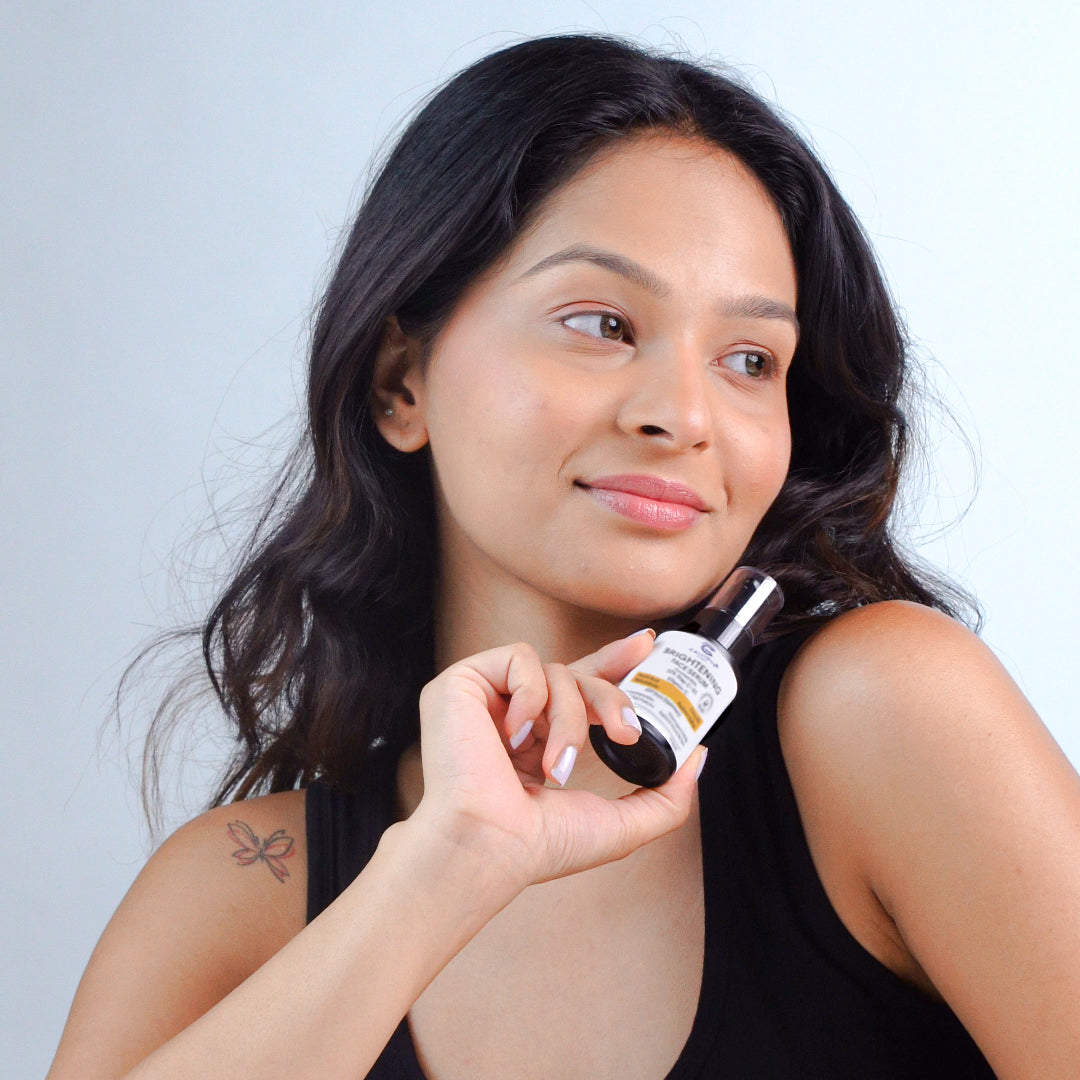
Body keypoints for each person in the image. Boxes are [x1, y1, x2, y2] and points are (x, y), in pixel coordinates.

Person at [46, 32, 1080, 1080]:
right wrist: (447, 870)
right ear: (403, 381)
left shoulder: (880, 714)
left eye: (749, 359)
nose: (683, 415)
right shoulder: (238, 889)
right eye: (600, 322)